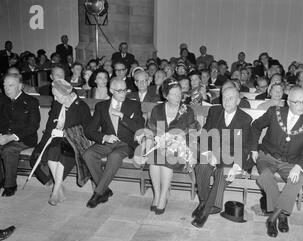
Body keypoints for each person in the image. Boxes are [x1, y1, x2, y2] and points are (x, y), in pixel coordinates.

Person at [251, 87, 303, 238]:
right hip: (267, 157)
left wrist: (299, 166)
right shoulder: (274, 112)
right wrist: (254, 149)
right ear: (288, 102)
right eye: (297, 102)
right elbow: (255, 126)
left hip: (291, 162)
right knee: (266, 176)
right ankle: (281, 216)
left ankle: (272, 218)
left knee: (300, 178)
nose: (302, 105)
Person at [191, 87, 253, 228]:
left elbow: (244, 146)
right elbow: (206, 133)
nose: (227, 101)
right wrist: (208, 153)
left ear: (238, 101)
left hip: (231, 157)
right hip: (214, 153)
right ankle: (203, 202)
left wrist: (237, 166)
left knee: (222, 172)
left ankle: (205, 212)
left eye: (231, 98)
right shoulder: (215, 111)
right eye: (224, 97)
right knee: (201, 166)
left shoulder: (245, 119)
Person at [141, 79, 200, 215]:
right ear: (165, 95)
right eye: (173, 94)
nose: (178, 97)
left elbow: (192, 134)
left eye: (179, 94)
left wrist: (182, 144)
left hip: (181, 149)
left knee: (165, 157)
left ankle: (163, 198)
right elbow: (152, 132)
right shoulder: (158, 109)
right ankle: (157, 194)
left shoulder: (187, 110)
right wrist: (147, 149)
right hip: (160, 146)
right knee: (154, 159)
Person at [83, 78, 144, 208]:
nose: (123, 93)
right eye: (119, 91)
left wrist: (123, 116)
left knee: (115, 156)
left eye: (125, 90)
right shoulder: (101, 106)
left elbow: (139, 128)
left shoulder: (134, 105)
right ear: (111, 90)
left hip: (126, 143)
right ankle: (105, 190)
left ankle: (98, 193)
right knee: (88, 154)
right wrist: (104, 136)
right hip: (108, 142)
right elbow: (89, 130)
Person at [31, 79, 92, 205]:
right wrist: (44, 142)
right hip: (57, 140)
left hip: (76, 142)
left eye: (57, 96)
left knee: (61, 152)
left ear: (67, 95)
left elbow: (86, 131)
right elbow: (50, 124)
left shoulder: (81, 107)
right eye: (53, 95)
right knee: (50, 152)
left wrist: (65, 133)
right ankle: (59, 188)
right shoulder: (58, 103)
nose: (55, 99)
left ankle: (55, 190)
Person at [0, 75, 40, 197]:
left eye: (10, 85)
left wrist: (11, 137)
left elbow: (33, 126)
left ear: (20, 86)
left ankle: (10, 185)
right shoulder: (2, 100)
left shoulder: (31, 102)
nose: (6, 88)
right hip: (3, 135)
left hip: (25, 138)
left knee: (8, 150)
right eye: (4, 85)